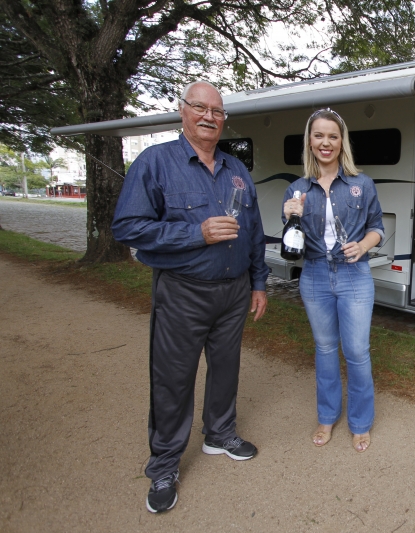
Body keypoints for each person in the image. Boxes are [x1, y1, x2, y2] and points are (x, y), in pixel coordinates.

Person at [112, 80, 269, 513]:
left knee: (226, 368)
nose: (209, 117)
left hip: (234, 292)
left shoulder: (237, 169)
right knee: (173, 378)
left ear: (223, 120)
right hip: (182, 292)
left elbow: (253, 233)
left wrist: (258, 283)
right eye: (200, 108)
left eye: (217, 112)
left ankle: (220, 433)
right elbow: (127, 227)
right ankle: (164, 464)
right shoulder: (155, 163)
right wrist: (195, 233)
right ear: (182, 111)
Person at [282, 108, 384, 453]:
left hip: (355, 274)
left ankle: (360, 423)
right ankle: (326, 417)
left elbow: (378, 229)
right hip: (313, 275)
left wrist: (364, 245)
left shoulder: (361, 184)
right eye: (318, 135)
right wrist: (289, 217)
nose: (325, 143)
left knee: (356, 352)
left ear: (342, 143)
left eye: (333, 136)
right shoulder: (296, 189)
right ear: (309, 142)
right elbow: (290, 244)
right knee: (325, 350)